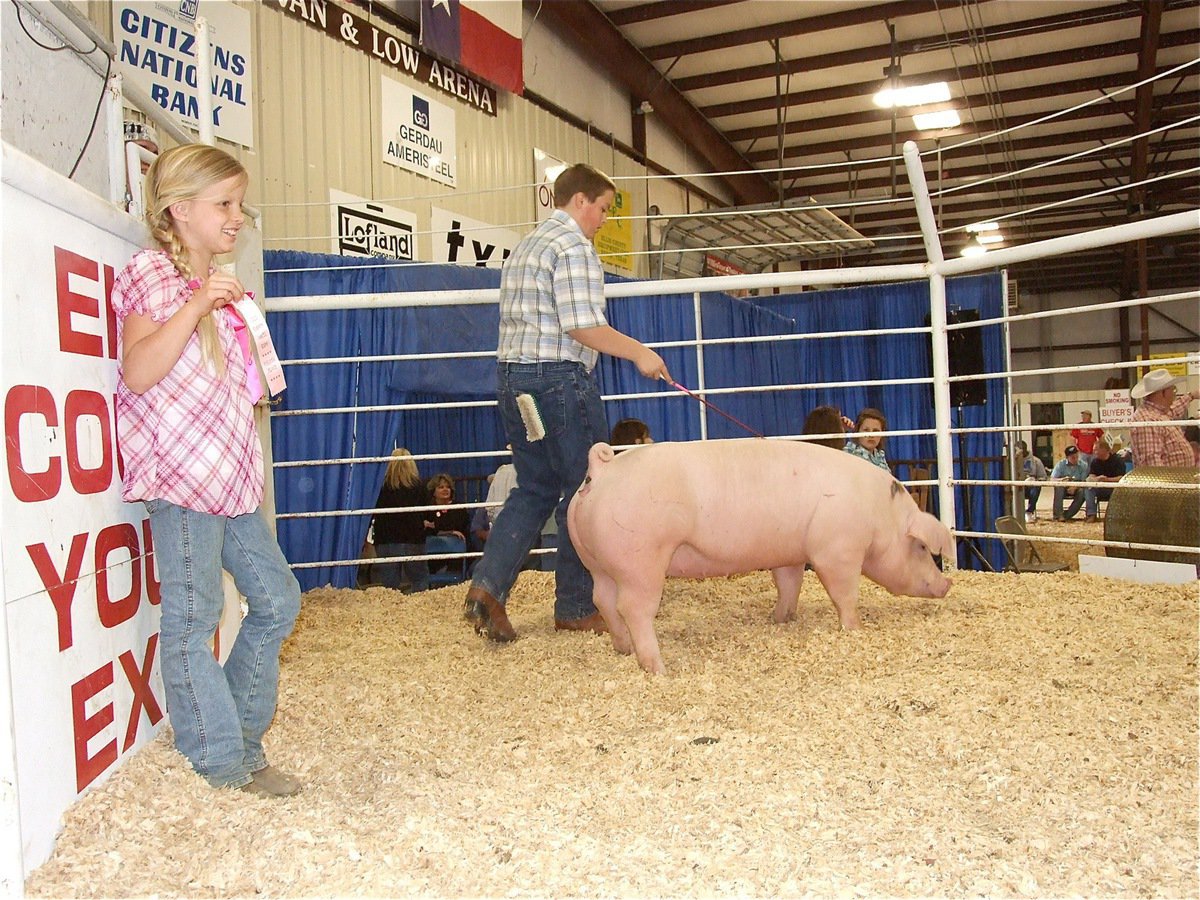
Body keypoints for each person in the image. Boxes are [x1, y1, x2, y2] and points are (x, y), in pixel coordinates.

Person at [110, 144, 301, 797]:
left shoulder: (224, 290)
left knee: (277, 600)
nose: (236, 218)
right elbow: (137, 370)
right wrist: (195, 308)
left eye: (238, 204)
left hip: (230, 480)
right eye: (224, 204)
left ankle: (241, 744)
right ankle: (221, 762)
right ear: (179, 209)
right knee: (193, 616)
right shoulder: (151, 276)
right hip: (182, 479)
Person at [463, 163, 670, 642]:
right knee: (585, 490)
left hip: (514, 379)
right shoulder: (574, 246)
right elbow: (581, 326)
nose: (602, 220)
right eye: (601, 209)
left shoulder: (527, 246)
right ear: (580, 201)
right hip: (558, 378)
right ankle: (576, 606)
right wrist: (640, 352)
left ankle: (487, 590)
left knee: (534, 487)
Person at [372, 448, 431, 593]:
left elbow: (374, 512)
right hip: (413, 538)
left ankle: (391, 611)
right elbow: (427, 512)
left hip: (386, 539)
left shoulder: (381, 487)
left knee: (389, 586)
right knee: (419, 580)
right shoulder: (419, 486)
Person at [1128, 368, 1198, 468]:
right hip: (1170, 481)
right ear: (1163, 392)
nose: (1174, 393)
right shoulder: (1147, 421)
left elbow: (1174, 410)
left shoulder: (1157, 413)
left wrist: (1192, 395)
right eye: (1173, 389)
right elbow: (1152, 464)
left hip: (1176, 479)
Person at [1084, 439, 1125, 522]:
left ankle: (1116, 516)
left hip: (1114, 488)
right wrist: (1096, 479)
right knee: (1089, 489)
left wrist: (1107, 480)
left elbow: (1121, 478)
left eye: (1096, 450)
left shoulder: (1117, 460)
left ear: (1103, 449)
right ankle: (1091, 514)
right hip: (1101, 487)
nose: (1094, 452)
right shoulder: (1095, 462)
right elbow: (1091, 476)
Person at [1050, 444, 1090, 521]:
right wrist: (1062, 480)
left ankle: (1067, 515)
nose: (1075, 459)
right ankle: (1058, 515)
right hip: (1064, 486)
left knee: (1082, 492)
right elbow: (1052, 479)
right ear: (1067, 458)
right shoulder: (1060, 465)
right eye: (1072, 457)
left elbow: (1083, 480)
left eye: (1076, 456)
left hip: (1077, 486)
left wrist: (1075, 487)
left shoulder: (1083, 465)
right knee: (1058, 487)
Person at [1014, 440, 1048, 523]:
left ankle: (1029, 512)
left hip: (1029, 487)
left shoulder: (1036, 461)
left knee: (1036, 487)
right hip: (1016, 486)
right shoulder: (1011, 461)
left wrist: (1034, 480)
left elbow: (1043, 477)